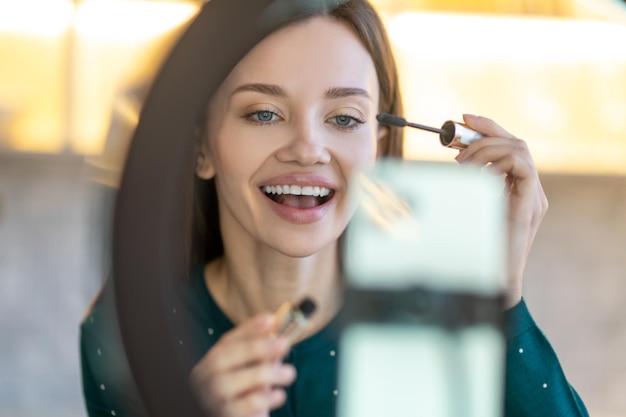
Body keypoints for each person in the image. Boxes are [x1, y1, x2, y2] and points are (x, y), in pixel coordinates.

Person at [80, 1, 589, 416]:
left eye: (344, 119)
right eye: (263, 113)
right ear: (201, 148)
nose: (307, 148)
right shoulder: (126, 334)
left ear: (379, 146)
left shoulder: (433, 319)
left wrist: (497, 303)